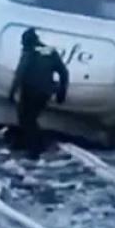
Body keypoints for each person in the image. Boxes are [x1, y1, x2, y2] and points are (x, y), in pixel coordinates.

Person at [9, 28, 69, 158]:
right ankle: (31, 144)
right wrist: (61, 92)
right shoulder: (50, 51)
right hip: (45, 91)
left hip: (30, 90)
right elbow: (64, 72)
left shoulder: (29, 52)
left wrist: (12, 92)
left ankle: (34, 149)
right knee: (31, 118)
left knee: (26, 119)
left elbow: (20, 73)